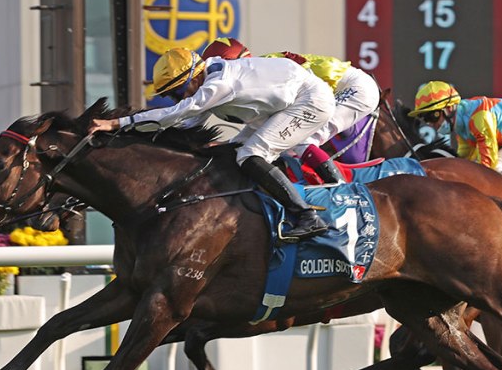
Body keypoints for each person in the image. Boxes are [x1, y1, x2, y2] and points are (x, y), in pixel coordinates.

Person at [89, 47, 336, 241]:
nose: (180, 97)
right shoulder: (209, 77)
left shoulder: (219, 85)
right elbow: (187, 123)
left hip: (310, 101)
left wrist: (118, 123)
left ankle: (307, 216)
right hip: (282, 105)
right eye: (171, 95)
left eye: (178, 91)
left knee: (250, 155)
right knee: (230, 151)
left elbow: (178, 113)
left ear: (193, 76)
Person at [198, 40, 379, 184]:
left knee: (303, 139)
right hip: (328, 91)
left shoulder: (261, 74)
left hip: (354, 88)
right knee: (252, 142)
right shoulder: (253, 74)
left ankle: (340, 187)